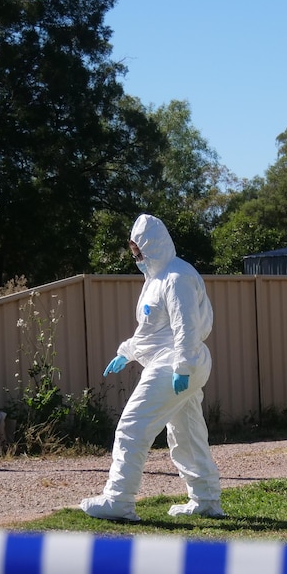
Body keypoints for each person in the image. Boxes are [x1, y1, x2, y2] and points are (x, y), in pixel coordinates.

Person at [80, 213, 224, 522]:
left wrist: (181, 368)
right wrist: (127, 352)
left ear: (149, 245)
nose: (135, 255)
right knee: (186, 432)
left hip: (175, 363)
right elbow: (153, 331)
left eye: (136, 248)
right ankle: (206, 500)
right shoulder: (157, 279)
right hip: (176, 362)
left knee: (132, 427)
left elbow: (185, 327)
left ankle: (118, 500)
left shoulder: (176, 277)